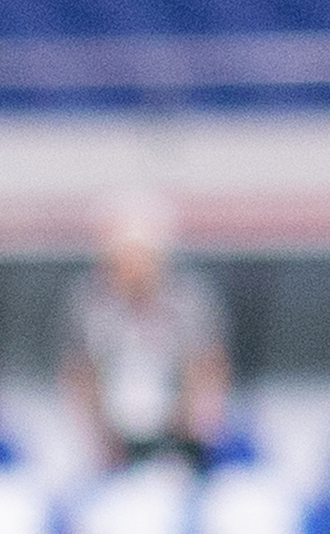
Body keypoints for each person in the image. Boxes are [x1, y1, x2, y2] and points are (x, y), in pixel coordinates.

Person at [62, 191, 228, 471]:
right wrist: (96, 433)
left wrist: (194, 425)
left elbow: (208, 365)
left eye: (139, 258)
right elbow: (80, 372)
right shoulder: (91, 304)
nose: (131, 270)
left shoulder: (187, 300)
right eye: (122, 260)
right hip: (115, 436)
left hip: (178, 433)